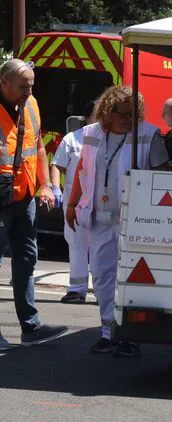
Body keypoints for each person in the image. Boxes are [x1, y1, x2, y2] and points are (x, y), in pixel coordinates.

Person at [65, 87, 169, 357]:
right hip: (99, 219)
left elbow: (162, 177)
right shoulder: (91, 134)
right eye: (122, 114)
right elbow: (81, 170)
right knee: (101, 278)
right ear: (107, 112)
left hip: (134, 222)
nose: (128, 119)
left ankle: (130, 338)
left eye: (133, 114)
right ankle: (108, 332)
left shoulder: (148, 135)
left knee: (133, 281)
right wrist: (73, 203)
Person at [0, 59, 68, 351]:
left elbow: (38, 145)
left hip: (24, 195)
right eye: (22, 87)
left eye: (31, 86)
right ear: (3, 83)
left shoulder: (31, 104)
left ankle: (31, 327)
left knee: (26, 260)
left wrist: (47, 185)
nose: (28, 92)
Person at [51, 100, 97, 303]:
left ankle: (100, 289)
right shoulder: (72, 139)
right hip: (76, 203)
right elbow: (57, 165)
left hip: (102, 203)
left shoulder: (112, 140)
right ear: (87, 117)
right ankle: (77, 290)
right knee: (77, 245)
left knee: (101, 247)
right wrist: (54, 187)